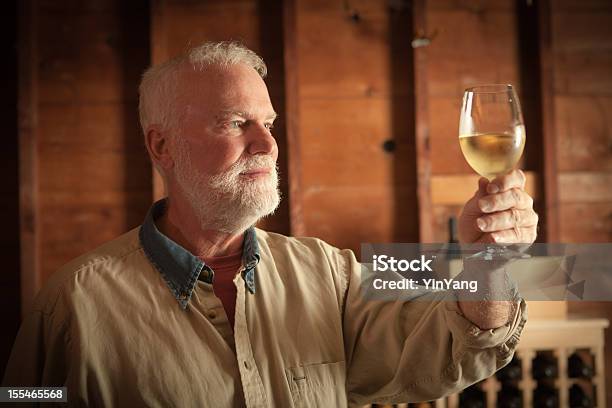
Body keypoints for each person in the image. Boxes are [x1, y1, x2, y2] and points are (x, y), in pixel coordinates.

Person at [4, 41, 537, 407]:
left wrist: (489, 259)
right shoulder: (73, 301)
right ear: (160, 145)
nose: (267, 144)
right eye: (235, 123)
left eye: (269, 123)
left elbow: (451, 346)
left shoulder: (329, 272)